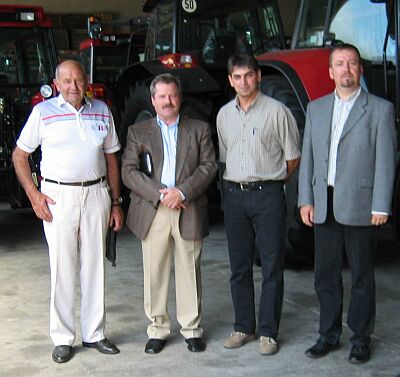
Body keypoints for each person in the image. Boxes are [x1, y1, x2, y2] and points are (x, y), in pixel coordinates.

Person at [12, 60, 124, 363]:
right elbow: (20, 155)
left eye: (78, 80)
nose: (74, 86)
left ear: (86, 80)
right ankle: (62, 338)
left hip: (97, 193)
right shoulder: (43, 113)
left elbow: (111, 157)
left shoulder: (101, 109)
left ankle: (95, 334)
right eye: (67, 81)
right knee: (63, 267)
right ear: (56, 83)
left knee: (94, 266)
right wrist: (34, 196)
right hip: (58, 196)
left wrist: (115, 201)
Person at [298, 43, 397, 364]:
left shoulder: (380, 109)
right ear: (330, 72)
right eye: (340, 63)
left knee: (362, 278)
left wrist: (381, 205)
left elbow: (386, 161)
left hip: (361, 206)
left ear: (360, 69)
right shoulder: (316, 108)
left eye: (352, 63)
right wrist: (305, 200)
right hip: (323, 205)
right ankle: (328, 335)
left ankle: (360, 338)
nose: (346, 69)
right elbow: (308, 160)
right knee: (324, 276)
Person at [121, 73, 217, 354]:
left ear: (180, 97)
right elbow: (128, 171)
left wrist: (182, 192)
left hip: (188, 206)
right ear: (153, 100)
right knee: (155, 271)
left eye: (172, 95)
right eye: (161, 96)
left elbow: (209, 166)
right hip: (154, 209)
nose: (167, 101)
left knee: (189, 270)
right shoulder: (138, 132)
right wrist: (162, 193)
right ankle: (158, 329)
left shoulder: (198, 128)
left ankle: (192, 329)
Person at [217, 54, 300, 355]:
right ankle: (243, 327)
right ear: (230, 80)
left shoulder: (278, 112)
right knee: (239, 267)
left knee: (271, 266)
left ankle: (268, 332)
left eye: (248, 76)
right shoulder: (224, 115)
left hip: (268, 195)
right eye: (237, 77)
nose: (243, 82)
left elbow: (293, 159)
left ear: (259, 76)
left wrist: (271, 182)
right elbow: (226, 156)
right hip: (235, 196)